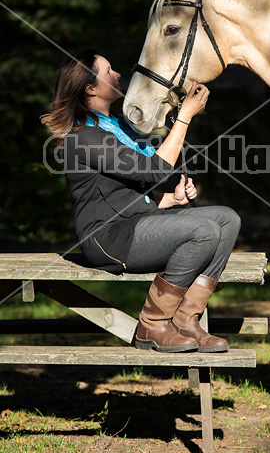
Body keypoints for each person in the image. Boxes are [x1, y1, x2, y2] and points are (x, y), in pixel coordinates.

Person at [41, 49, 241, 353]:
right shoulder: (84, 137)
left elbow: (128, 190)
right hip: (107, 238)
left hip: (137, 225)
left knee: (227, 219)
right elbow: (155, 169)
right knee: (205, 230)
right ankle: (152, 325)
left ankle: (187, 320)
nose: (118, 74)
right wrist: (184, 117)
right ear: (90, 88)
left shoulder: (120, 129)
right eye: (108, 71)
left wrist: (168, 200)